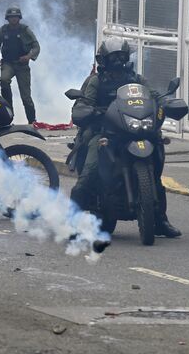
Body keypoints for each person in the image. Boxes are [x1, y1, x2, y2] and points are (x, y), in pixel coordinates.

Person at [69, 37, 181, 238]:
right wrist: (88, 110)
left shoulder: (136, 79)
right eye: (114, 57)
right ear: (104, 60)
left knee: (154, 174)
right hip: (104, 133)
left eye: (121, 57)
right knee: (88, 174)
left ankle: (160, 220)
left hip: (132, 130)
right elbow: (83, 103)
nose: (118, 62)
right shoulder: (96, 81)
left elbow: (154, 96)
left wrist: (165, 101)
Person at [0, 6, 40, 124]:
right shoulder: (2, 30)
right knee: (4, 80)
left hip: (22, 65)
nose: (13, 19)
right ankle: (9, 114)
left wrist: (28, 56)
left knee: (26, 96)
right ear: (7, 19)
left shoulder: (25, 30)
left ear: (19, 18)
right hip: (8, 63)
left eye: (16, 17)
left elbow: (36, 46)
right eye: (11, 17)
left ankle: (32, 121)